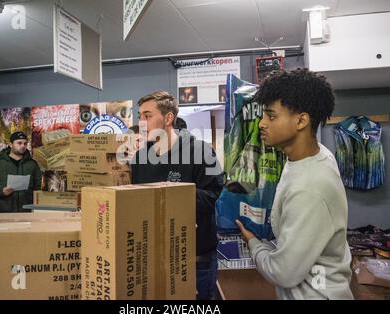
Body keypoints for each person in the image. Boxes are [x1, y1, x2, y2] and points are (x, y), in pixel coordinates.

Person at [235, 68, 353, 299]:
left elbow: (283, 273)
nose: (261, 124)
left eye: (271, 116)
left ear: (301, 120)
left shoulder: (310, 187)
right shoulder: (313, 156)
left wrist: (253, 243)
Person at [130, 91, 223, 300]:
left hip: (194, 261)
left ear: (168, 118)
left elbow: (213, 198)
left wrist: (171, 192)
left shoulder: (200, 152)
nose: (141, 122)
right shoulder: (139, 159)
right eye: (139, 116)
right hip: (152, 259)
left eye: (147, 115)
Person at [0, 131, 42, 213]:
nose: (23, 146)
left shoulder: (32, 164)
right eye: (19, 143)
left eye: (25, 143)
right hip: (4, 211)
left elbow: (38, 187)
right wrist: (1, 190)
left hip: (27, 211)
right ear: (10, 144)